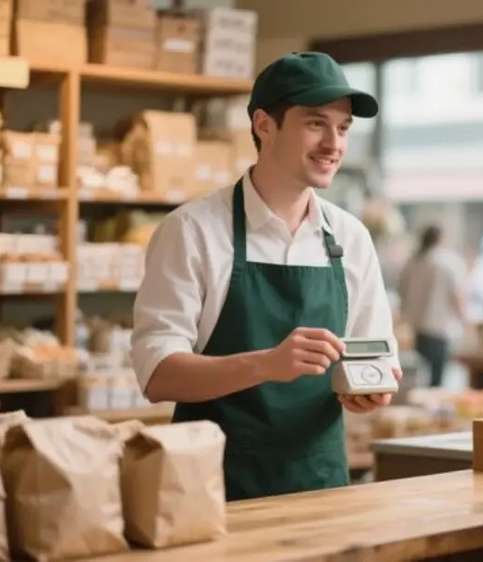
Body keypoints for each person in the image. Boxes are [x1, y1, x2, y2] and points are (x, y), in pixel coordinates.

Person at [131, 52, 401, 501]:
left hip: (321, 489)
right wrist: (267, 364)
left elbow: (375, 360)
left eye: (344, 128)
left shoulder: (350, 238)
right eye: (316, 123)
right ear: (264, 125)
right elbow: (158, 376)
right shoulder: (193, 230)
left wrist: (367, 391)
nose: (334, 143)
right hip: (213, 491)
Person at [398, 225, 466, 387]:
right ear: (441, 239)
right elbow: (456, 295)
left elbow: (403, 292)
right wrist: (464, 319)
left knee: (420, 374)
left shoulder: (413, 262)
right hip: (440, 327)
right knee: (437, 378)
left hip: (417, 327)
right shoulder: (447, 262)